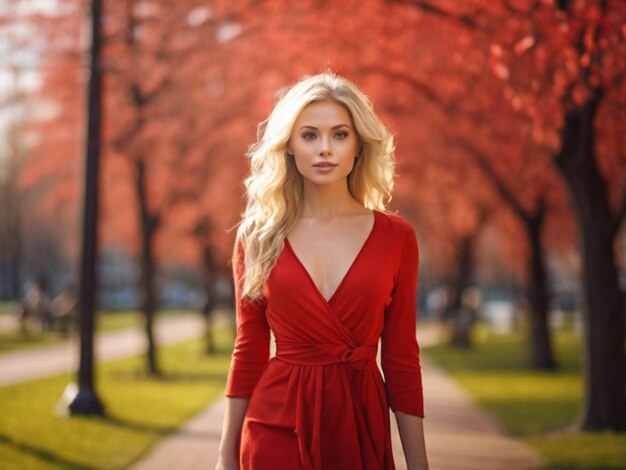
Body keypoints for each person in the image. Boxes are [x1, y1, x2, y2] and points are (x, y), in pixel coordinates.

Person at [216, 72, 428, 470]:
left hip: (360, 421)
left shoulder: (397, 237)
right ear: (290, 147)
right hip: (275, 424)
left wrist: (419, 464)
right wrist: (225, 456)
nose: (325, 149)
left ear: (359, 145)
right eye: (310, 135)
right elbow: (249, 348)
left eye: (340, 135)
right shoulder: (258, 236)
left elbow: (401, 357)